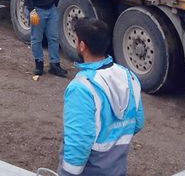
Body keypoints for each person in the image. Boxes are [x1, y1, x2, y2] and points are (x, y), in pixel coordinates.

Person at [60, 18, 144, 176]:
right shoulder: (128, 76)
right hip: (117, 169)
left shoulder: (81, 88)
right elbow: (138, 122)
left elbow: (79, 142)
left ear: (82, 46)